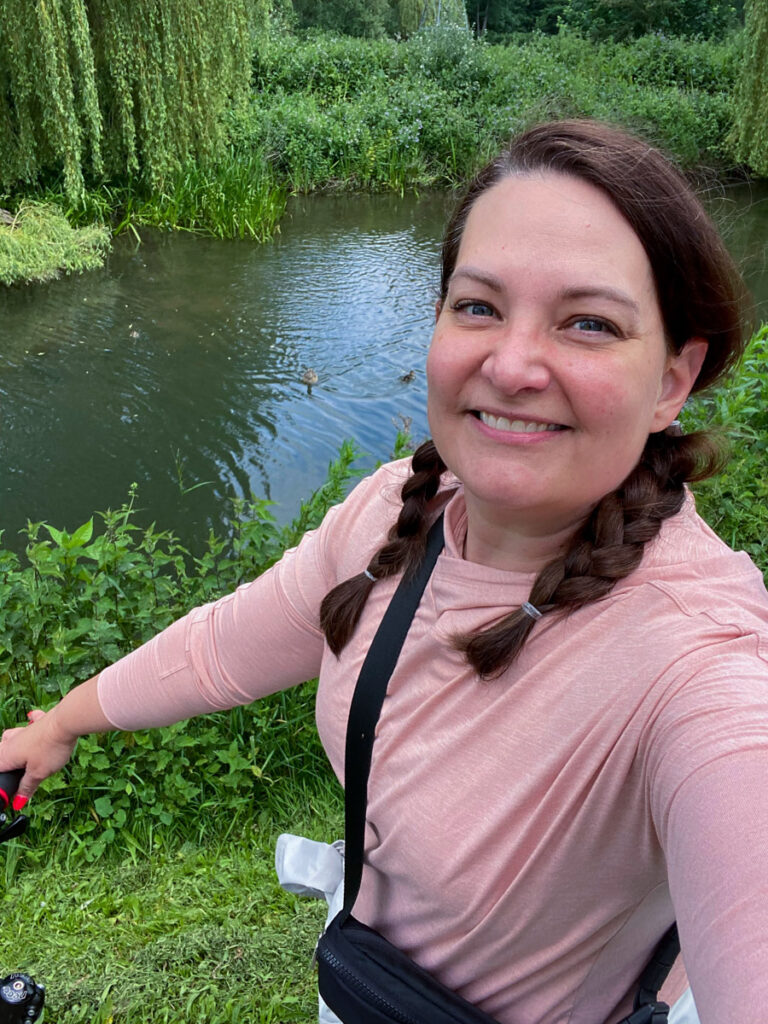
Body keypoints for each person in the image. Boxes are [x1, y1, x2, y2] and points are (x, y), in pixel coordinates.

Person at [1, 119, 766, 1024]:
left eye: (589, 323)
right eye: (478, 306)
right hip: (363, 985)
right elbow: (229, 644)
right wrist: (63, 721)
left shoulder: (703, 662)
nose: (511, 364)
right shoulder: (395, 508)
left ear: (674, 381)